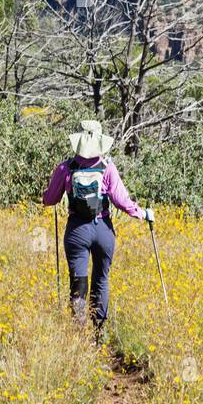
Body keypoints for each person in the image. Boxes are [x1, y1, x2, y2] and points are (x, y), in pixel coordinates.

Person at [42, 119, 154, 333]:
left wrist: (45, 197)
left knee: (78, 279)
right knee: (101, 279)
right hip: (102, 229)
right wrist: (143, 213)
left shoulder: (66, 167)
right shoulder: (107, 167)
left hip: (77, 230)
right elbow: (121, 201)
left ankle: (78, 328)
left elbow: (50, 199)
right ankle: (98, 330)